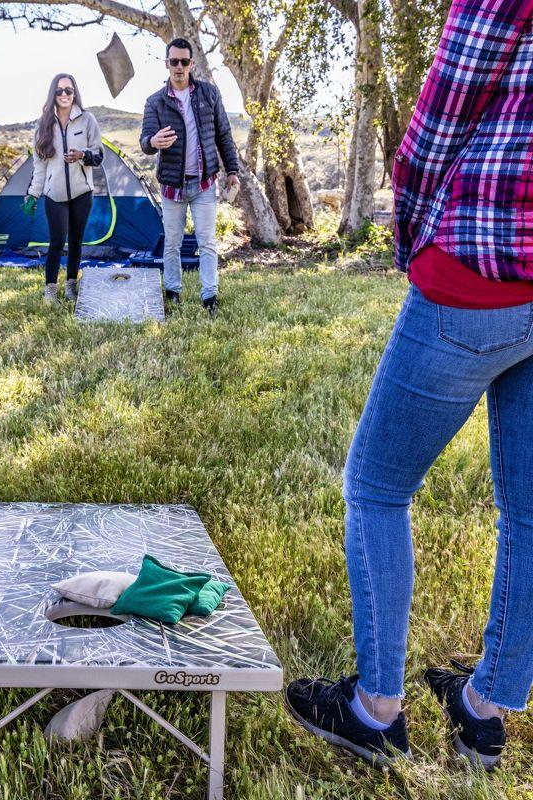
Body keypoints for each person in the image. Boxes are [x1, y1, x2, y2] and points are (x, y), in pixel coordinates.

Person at [284, 0, 533, 770]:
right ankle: (485, 707)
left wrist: (414, 228)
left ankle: (375, 710)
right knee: (529, 512)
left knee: (378, 485)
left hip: (483, 263)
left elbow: (449, 97)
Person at [140, 38, 240, 316]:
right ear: (167, 64)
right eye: (174, 62)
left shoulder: (209, 94)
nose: (179, 67)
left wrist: (232, 171)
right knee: (172, 242)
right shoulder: (155, 102)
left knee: (207, 241)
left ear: (192, 64)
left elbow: (223, 135)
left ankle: (210, 296)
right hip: (172, 186)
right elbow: (145, 142)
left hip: (204, 183)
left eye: (185, 62)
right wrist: (153, 141)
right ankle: (172, 291)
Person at [26, 74, 104, 305]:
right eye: (59, 91)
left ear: (74, 93)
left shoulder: (87, 120)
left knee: (77, 241)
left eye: (68, 91)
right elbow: (39, 166)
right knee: (57, 241)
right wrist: (33, 193)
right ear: (53, 94)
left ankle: (71, 286)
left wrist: (82, 156)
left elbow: (99, 155)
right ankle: (50, 291)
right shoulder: (43, 126)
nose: (64, 95)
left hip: (82, 193)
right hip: (54, 195)